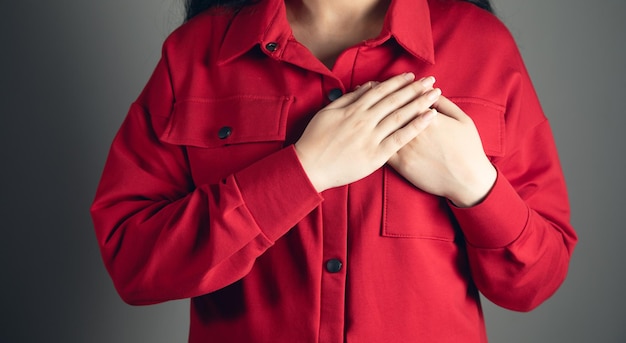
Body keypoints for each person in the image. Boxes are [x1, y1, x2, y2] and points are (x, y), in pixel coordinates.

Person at [90, 0, 577, 341]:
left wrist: (473, 185)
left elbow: (535, 279)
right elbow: (134, 262)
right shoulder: (194, 54)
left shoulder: (482, 48)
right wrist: (302, 172)